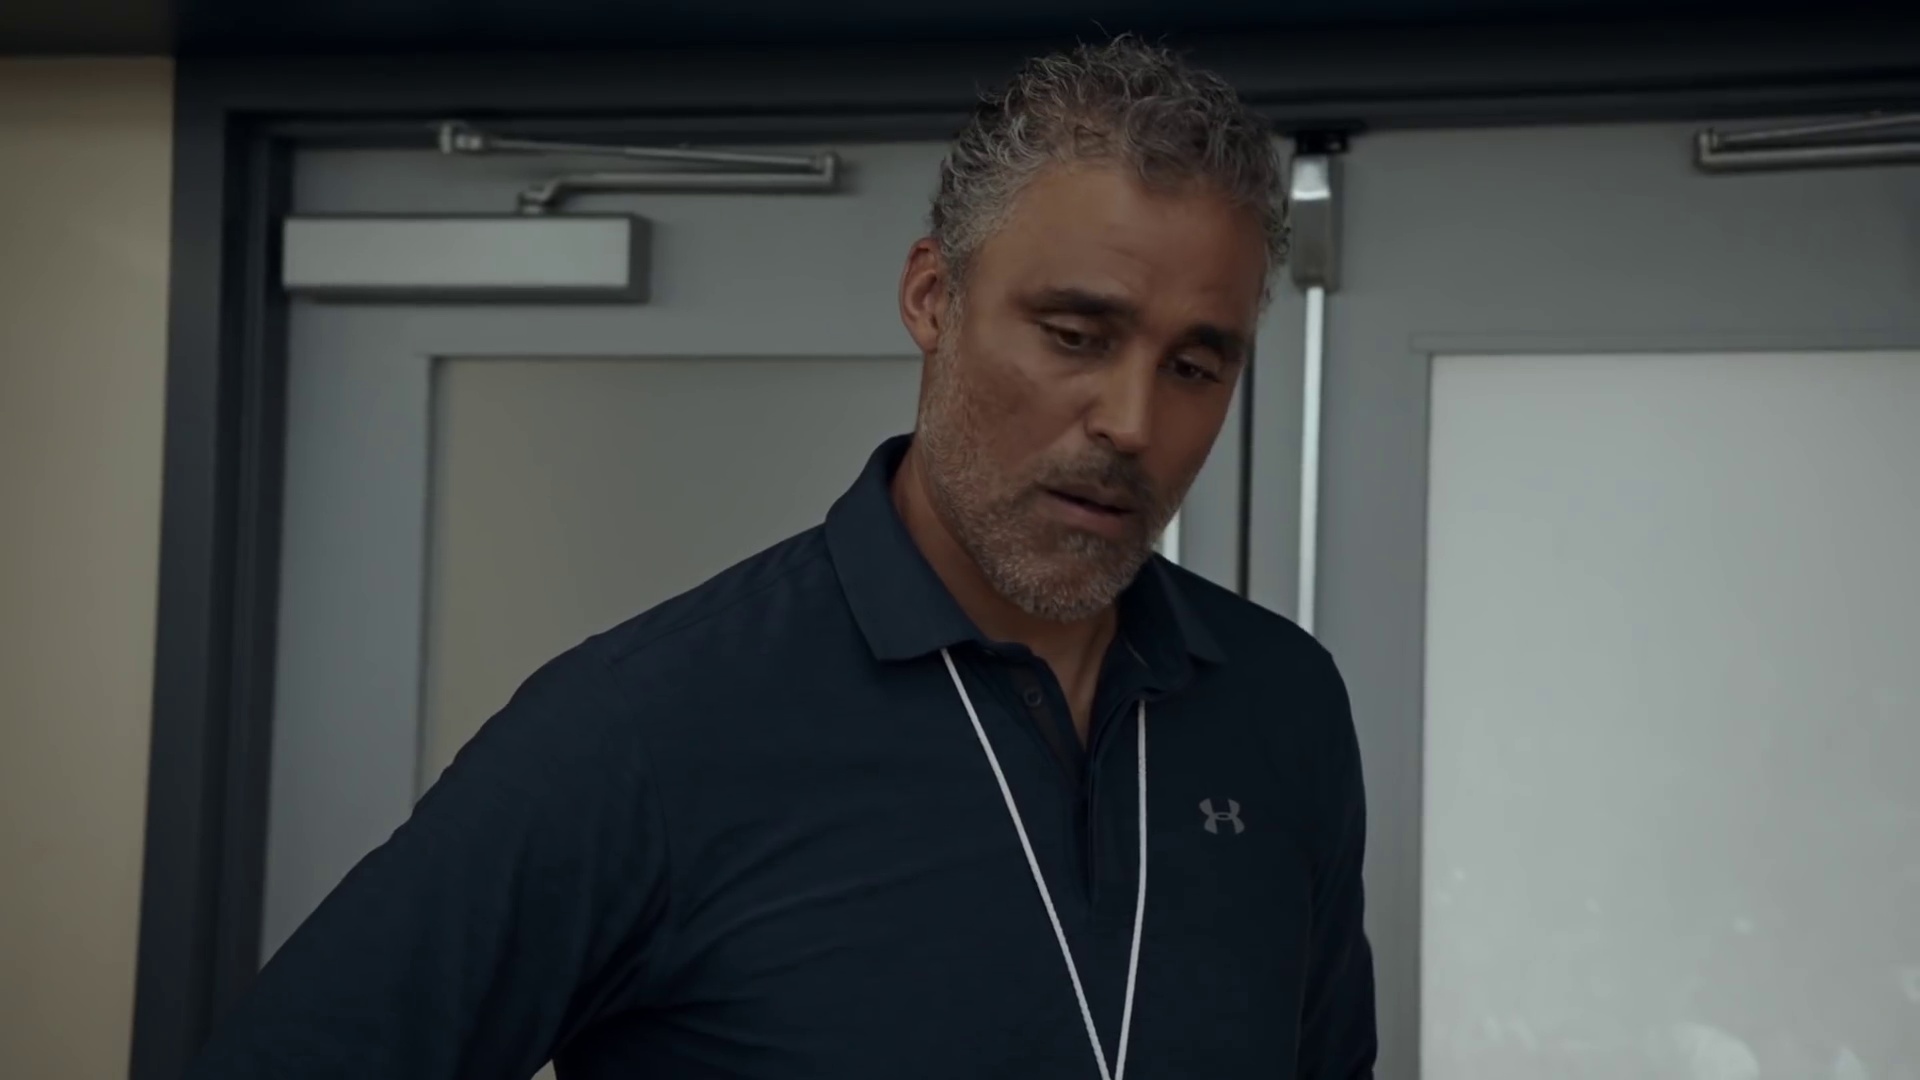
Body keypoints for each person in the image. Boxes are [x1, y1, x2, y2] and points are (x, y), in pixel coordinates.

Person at [186, 35, 1376, 1080]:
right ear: (932, 297)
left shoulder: (1284, 707)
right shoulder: (642, 729)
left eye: (1194, 367)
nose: (1131, 421)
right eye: (1075, 335)